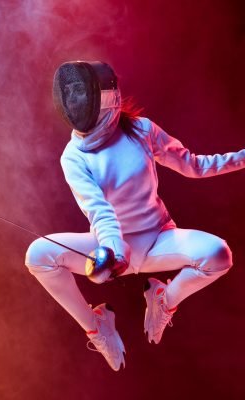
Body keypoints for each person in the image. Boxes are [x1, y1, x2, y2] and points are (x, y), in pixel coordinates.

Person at [25, 61, 244, 371]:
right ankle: (96, 326)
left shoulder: (141, 129)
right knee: (38, 254)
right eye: (70, 91)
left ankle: (165, 300)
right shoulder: (73, 156)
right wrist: (113, 251)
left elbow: (194, 166)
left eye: (81, 90)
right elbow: (100, 211)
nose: (74, 99)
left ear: (108, 96)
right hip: (111, 250)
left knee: (218, 254)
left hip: (158, 240)